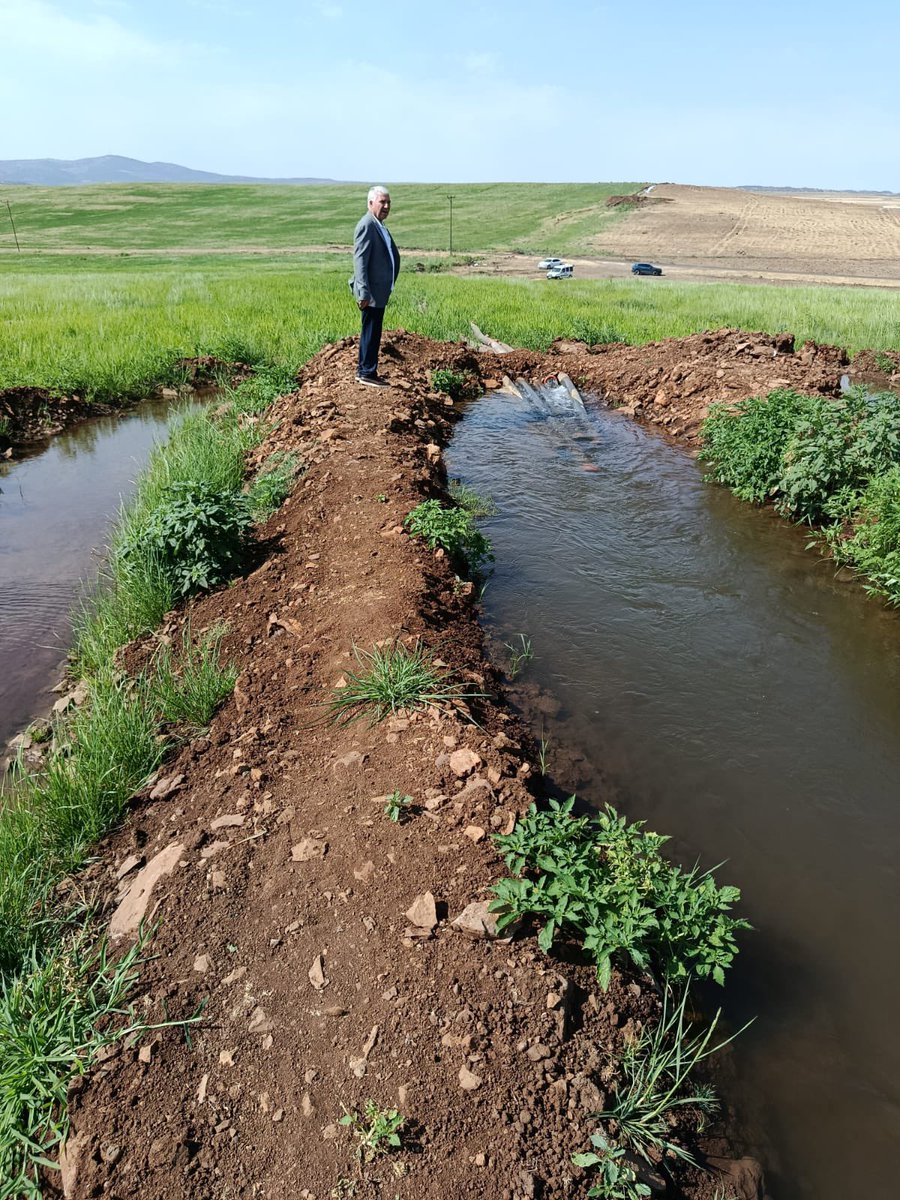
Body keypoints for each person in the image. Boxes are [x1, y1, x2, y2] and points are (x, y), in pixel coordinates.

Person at [350, 186, 400, 387]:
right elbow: (360, 261)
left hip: (378, 290)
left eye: (388, 202)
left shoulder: (379, 225)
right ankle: (366, 372)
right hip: (370, 292)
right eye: (382, 202)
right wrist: (363, 292)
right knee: (370, 331)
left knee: (374, 330)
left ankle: (367, 370)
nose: (386, 206)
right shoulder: (367, 225)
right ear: (370, 203)